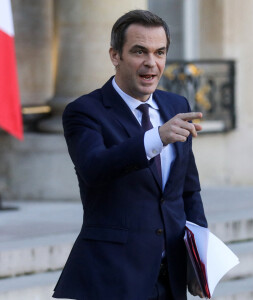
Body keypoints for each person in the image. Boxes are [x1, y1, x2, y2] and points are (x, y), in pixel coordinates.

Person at [52, 9, 207, 300]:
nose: (151, 63)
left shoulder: (176, 105)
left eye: (159, 52)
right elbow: (94, 168)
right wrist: (156, 138)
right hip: (113, 278)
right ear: (115, 55)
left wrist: (200, 260)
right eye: (139, 51)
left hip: (172, 276)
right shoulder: (84, 111)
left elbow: (188, 189)